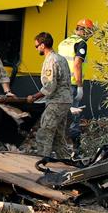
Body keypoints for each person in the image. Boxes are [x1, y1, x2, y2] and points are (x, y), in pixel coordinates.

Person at [28, 32, 73, 160]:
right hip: (65, 100)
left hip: (57, 101)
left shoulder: (51, 60)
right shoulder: (61, 58)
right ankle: (66, 161)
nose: (36, 49)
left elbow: (50, 86)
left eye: (36, 46)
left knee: (44, 132)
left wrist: (34, 97)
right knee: (58, 136)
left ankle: (42, 162)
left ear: (42, 45)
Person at [57, 18, 93, 155]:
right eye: (90, 33)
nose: (90, 36)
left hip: (60, 84)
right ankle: (75, 149)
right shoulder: (81, 43)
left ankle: (58, 147)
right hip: (72, 84)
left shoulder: (64, 42)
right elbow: (77, 64)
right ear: (84, 31)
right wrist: (80, 86)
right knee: (74, 118)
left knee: (60, 115)